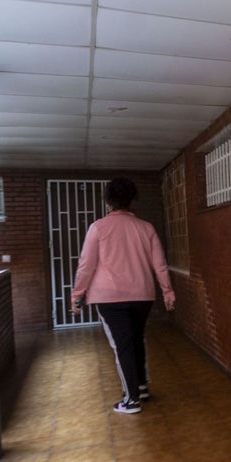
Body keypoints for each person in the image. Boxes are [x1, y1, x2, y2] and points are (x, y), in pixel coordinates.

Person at [71, 177, 176, 414]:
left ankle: (131, 400)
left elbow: (86, 265)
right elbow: (159, 264)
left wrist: (77, 295)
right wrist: (167, 291)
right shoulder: (146, 228)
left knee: (123, 346)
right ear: (132, 201)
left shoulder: (98, 227)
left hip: (109, 298)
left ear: (108, 201)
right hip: (142, 296)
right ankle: (141, 386)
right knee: (135, 340)